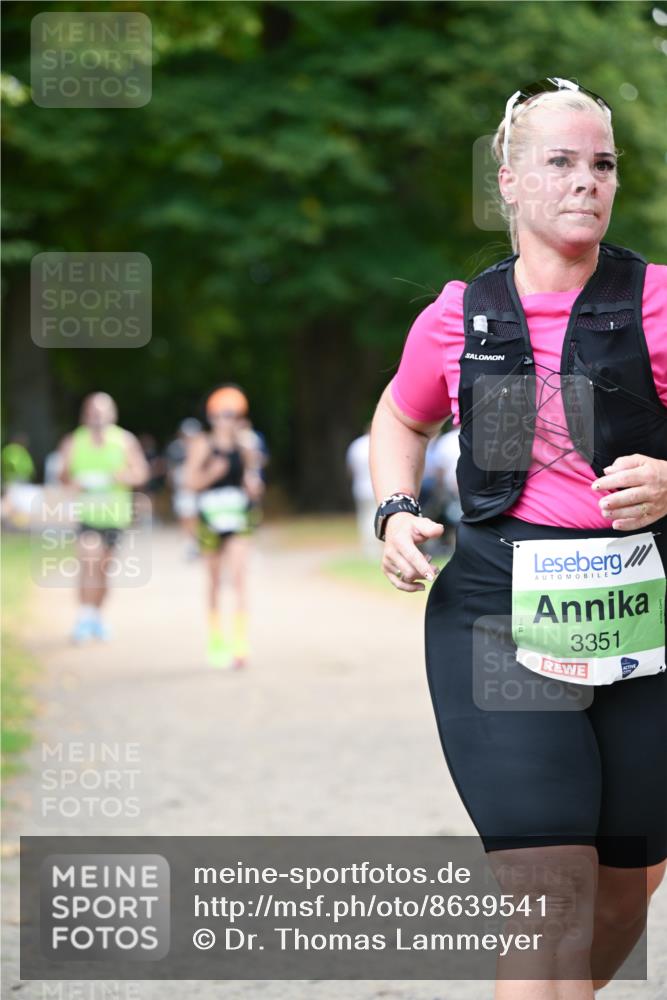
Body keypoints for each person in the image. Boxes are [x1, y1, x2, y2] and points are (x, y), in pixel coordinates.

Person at [369, 78, 667, 998]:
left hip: (640, 619)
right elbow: (399, 414)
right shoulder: (457, 316)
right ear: (506, 180)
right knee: (546, 894)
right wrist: (393, 505)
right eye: (560, 162)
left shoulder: (659, 300)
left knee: (626, 892)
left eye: (602, 164)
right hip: (494, 615)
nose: (586, 181)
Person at [183, 384, 264, 669]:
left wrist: (253, 486)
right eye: (221, 415)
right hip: (210, 520)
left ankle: (240, 643)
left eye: (232, 415)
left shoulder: (245, 448)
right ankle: (216, 640)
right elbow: (190, 483)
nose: (227, 420)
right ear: (212, 417)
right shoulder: (202, 445)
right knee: (215, 581)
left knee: (240, 577)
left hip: (238, 517)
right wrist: (211, 474)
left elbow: (253, 481)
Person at [58, 392, 149, 643]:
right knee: (89, 561)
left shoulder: (124, 441)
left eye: (103, 411)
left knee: (103, 570)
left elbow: (141, 473)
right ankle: (84, 617)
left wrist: (122, 477)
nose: (98, 417)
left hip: (115, 517)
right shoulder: (73, 442)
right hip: (86, 515)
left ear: (112, 414)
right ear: (85, 415)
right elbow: (62, 476)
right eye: (93, 412)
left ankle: (97, 616)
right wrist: (72, 481)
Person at [165, 417, 202, 556]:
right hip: (182, 489)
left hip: (197, 488)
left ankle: (197, 541)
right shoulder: (175, 448)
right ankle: (189, 543)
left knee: (196, 516)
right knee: (185, 516)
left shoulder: (202, 446)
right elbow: (171, 469)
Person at [345, 427, 376, 559]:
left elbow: (350, 468)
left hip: (359, 487)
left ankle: (368, 547)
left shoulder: (356, 445)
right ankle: (375, 547)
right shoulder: (377, 444)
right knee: (374, 517)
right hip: (375, 487)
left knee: (364, 517)